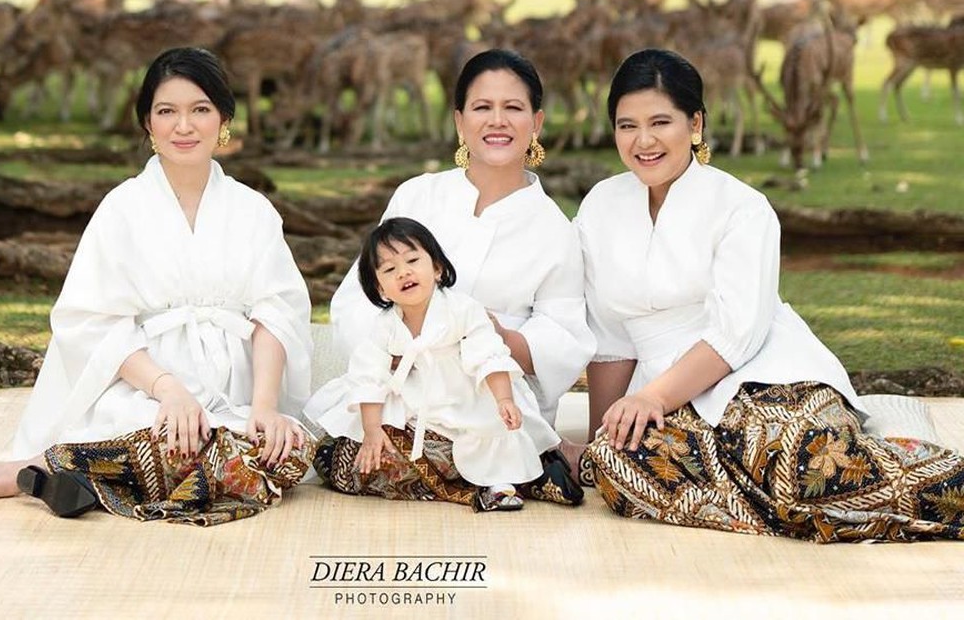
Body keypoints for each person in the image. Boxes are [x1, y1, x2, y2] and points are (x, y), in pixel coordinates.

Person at [566, 47, 964, 542]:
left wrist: (651, 396)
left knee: (802, 463)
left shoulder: (742, 207)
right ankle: (802, 512)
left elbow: (737, 333)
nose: (643, 140)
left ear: (695, 124)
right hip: (667, 402)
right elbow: (609, 340)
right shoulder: (601, 206)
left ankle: (908, 483)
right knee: (614, 465)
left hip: (763, 375)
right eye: (627, 125)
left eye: (660, 122)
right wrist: (602, 432)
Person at [0, 47, 315, 526]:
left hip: (234, 395)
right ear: (147, 125)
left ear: (224, 119)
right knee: (167, 435)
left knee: (290, 453)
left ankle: (74, 474)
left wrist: (264, 407)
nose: (184, 126)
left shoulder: (253, 210)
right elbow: (93, 321)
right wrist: (168, 390)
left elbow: (276, 313)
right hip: (145, 388)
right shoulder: (122, 207)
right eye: (166, 111)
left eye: (200, 110)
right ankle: (24, 472)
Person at [329, 49, 595, 438]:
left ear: (536, 122)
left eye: (514, 107)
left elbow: (563, 336)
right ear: (459, 120)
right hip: (401, 385)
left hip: (494, 398)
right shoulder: (417, 196)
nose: (497, 121)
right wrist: (404, 345)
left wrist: (495, 336)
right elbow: (359, 297)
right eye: (482, 107)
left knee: (487, 455)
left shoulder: (556, 229)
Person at [308, 218, 578, 511]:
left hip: (468, 392)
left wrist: (504, 399)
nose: (404, 272)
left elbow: (488, 354)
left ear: (437, 268)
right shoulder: (385, 326)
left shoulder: (462, 309)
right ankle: (464, 477)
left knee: (490, 430)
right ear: (381, 289)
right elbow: (368, 377)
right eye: (389, 269)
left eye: (412, 260)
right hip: (417, 396)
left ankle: (506, 482)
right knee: (349, 447)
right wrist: (372, 431)